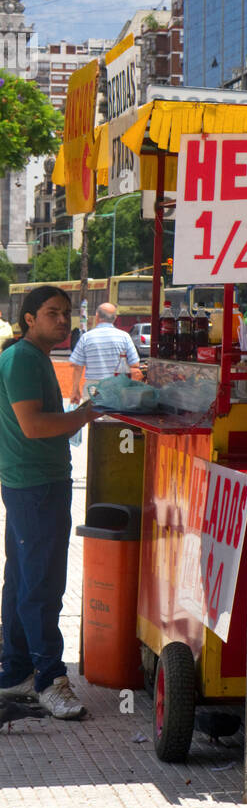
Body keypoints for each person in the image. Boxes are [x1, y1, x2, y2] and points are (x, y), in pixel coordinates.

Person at [0, 286, 94, 718]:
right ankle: (48, 679)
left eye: (66, 313)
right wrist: (88, 413)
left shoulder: (32, 357)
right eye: (52, 313)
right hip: (35, 484)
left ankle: (16, 669)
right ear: (29, 319)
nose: (63, 321)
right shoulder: (22, 358)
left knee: (22, 579)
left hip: (31, 482)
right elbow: (34, 426)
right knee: (42, 585)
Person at [69, 302, 140, 404]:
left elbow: (78, 366)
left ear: (97, 316)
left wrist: (75, 390)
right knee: (114, 419)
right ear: (115, 318)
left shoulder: (86, 337)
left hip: (93, 389)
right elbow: (135, 365)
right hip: (118, 388)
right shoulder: (125, 337)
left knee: (93, 418)